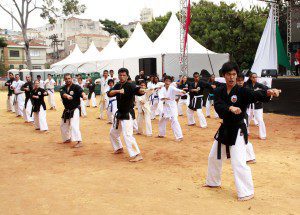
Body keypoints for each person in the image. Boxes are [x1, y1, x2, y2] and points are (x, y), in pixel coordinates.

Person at [204, 62, 281, 201]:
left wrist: (268, 92)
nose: (232, 77)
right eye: (229, 74)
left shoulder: (242, 91)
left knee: (238, 162)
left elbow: (255, 95)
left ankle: (246, 191)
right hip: (224, 128)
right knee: (213, 157)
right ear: (224, 75)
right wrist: (230, 108)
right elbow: (219, 106)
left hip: (238, 129)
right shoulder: (219, 91)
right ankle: (213, 182)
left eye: (234, 74)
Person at [107, 68, 145, 162]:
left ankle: (137, 154)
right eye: (120, 75)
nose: (122, 77)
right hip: (119, 113)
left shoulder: (130, 85)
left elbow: (138, 90)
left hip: (127, 113)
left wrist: (143, 90)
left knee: (127, 134)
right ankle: (119, 148)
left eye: (124, 75)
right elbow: (109, 93)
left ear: (127, 76)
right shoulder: (117, 85)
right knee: (113, 133)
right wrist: (118, 91)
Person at [60, 73, 87, 148]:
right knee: (63, 125)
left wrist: (84, 95)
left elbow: (81, 92)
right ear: (64, 80)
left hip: (75, 109)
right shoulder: (63, 88)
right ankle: (67, 138)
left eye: (69, 78)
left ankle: (79, 141)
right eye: (66, 79)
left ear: (71, 79)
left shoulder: (76, 87)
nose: (68, 80)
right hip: (67, 110)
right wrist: (67, 96)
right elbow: (63, 94)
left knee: (74, 125)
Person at [158, 75, 187, 141]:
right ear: (164, 81)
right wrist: (163, 98)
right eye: (166, 80)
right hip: (165, 106)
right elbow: (160, 95)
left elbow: (177, 90)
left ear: (170, 82)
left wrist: (182, 91)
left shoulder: (172, 88)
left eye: (169, 81)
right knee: (162, 120)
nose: (167, 82)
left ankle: (179, 136)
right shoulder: (162, 89)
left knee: (174, 120)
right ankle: (161, 134)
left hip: (172, 106)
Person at [236, 74, 256, 164]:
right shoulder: (234, 90)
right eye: (238, 80)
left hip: (243, 117)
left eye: (241, 80)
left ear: (243, 81)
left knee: (244, 137)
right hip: (234, 118)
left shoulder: (246, 91)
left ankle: (250, 157)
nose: (240, 82)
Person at [246, 73, 269, 140]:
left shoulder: (260, 85)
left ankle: (263, 135)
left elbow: (267, 89)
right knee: (247, 119)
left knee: (260, 120)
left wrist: (272, 90)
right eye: (253, 77)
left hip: (258, 105)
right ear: (250, 78)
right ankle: (246, 131)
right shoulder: (247, 85)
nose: (255, 78)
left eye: (256, 77)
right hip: (249, 105)